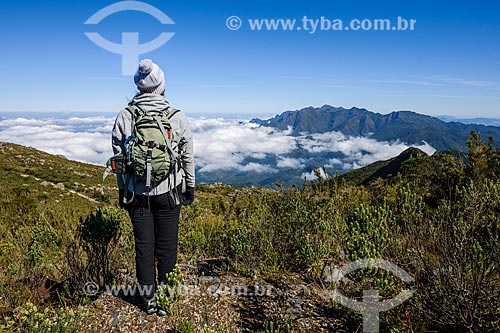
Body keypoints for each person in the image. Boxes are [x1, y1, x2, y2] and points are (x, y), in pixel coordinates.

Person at [111, 59, 195, 315]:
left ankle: (147, 300)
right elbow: (188, 155)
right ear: (162, 86)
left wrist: (123, 189)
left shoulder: (126, 115)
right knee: (167, 246)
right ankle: (166, 299)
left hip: (137, 193)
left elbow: (119, 160)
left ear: (138, 87)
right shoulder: (176, 117)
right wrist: (189, 186)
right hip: (170, 191)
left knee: (144, 246)